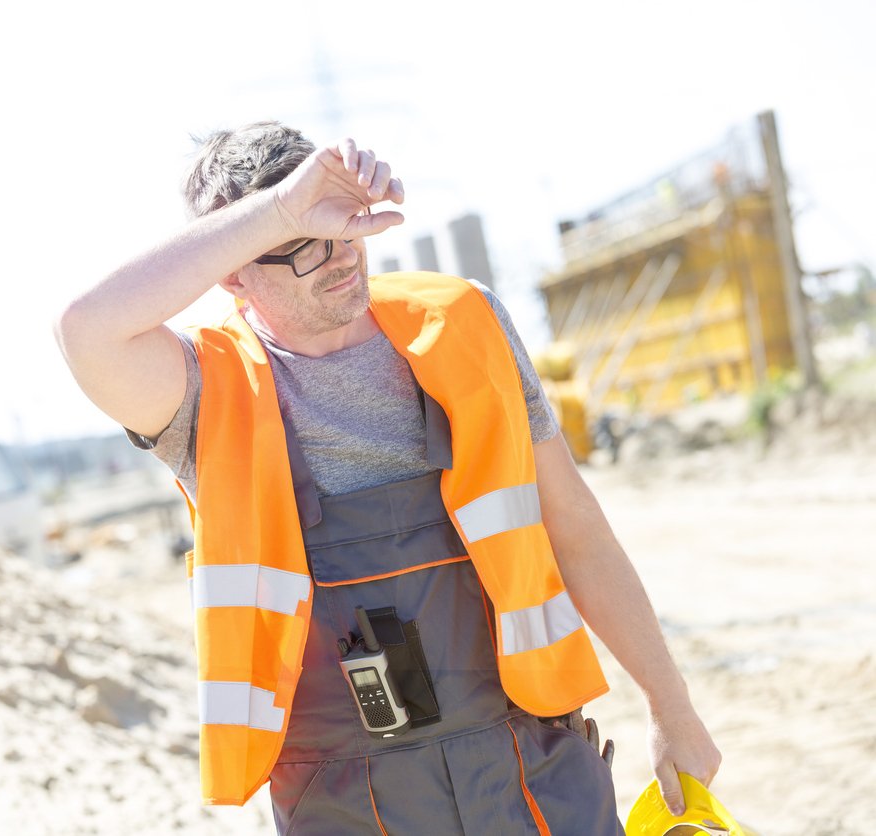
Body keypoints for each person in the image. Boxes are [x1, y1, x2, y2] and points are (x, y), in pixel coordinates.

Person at [54, 121, 721, 834]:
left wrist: (671, 707)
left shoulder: (465, 325)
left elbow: (576, 530)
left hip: (531, 768)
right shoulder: (204, 392)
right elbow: (86, 330)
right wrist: (282, 209)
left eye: (342, 223)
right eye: (301, 243)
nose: (339, 255)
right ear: (234, 269)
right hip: (345, 802)